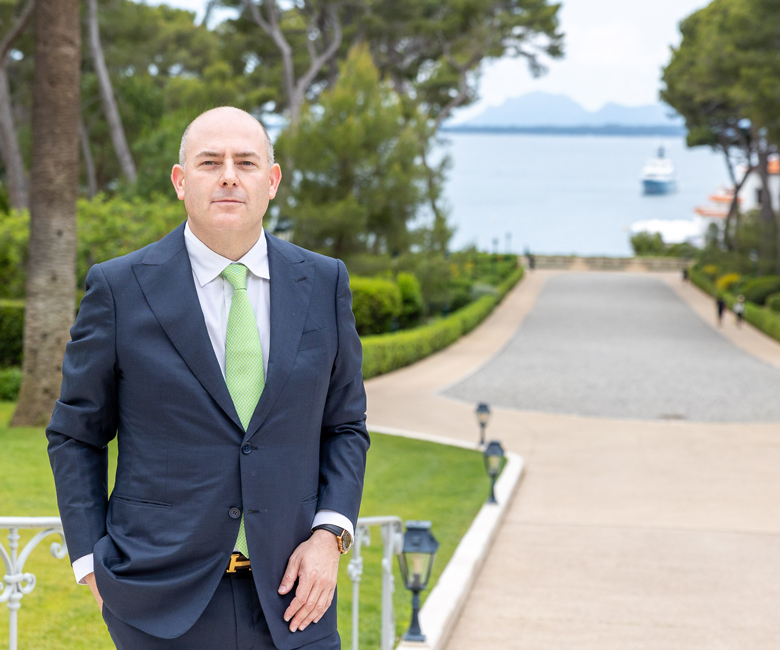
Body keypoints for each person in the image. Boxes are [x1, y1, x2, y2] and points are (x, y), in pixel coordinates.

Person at [45, 106, 370, 650]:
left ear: (272, 181)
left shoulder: (326, 282)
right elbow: (76, 434)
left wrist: (329, 534)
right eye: (209, 162)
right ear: (179, 181)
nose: (228, 175)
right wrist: (89, 561)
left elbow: (345, 426)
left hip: (295, 601)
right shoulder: (119, 288)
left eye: (246, 162)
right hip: (157, 603)